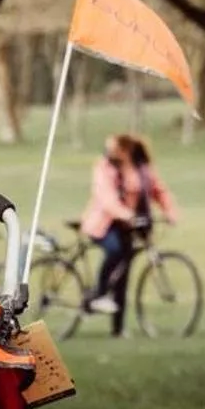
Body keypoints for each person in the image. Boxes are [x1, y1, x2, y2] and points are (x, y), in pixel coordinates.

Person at [80, 131, 179, 337]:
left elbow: (159, 191)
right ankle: (98, 294)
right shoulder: (104, 167)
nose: (109, 152)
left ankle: (118, 328)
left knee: (123, 275)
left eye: (115, 149)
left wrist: (169, 211)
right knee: (115, 251)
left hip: (128, 227)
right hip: (104, 225)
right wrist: (127, 214)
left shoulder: (142, 169)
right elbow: (106, 198)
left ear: (126, 150)